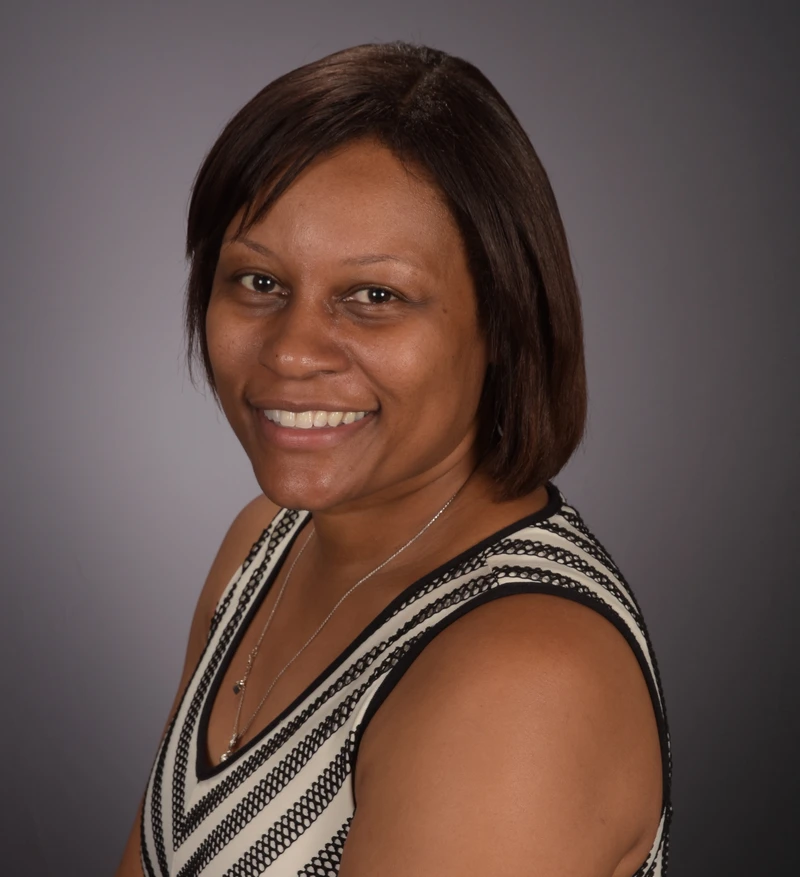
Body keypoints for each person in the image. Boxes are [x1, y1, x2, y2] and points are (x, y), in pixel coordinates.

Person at [116, 40, 672, 877]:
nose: (294, 351)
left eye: (375, 296)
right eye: (258, 282)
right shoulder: (264, 544)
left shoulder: (522, 675)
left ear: (505, 324)